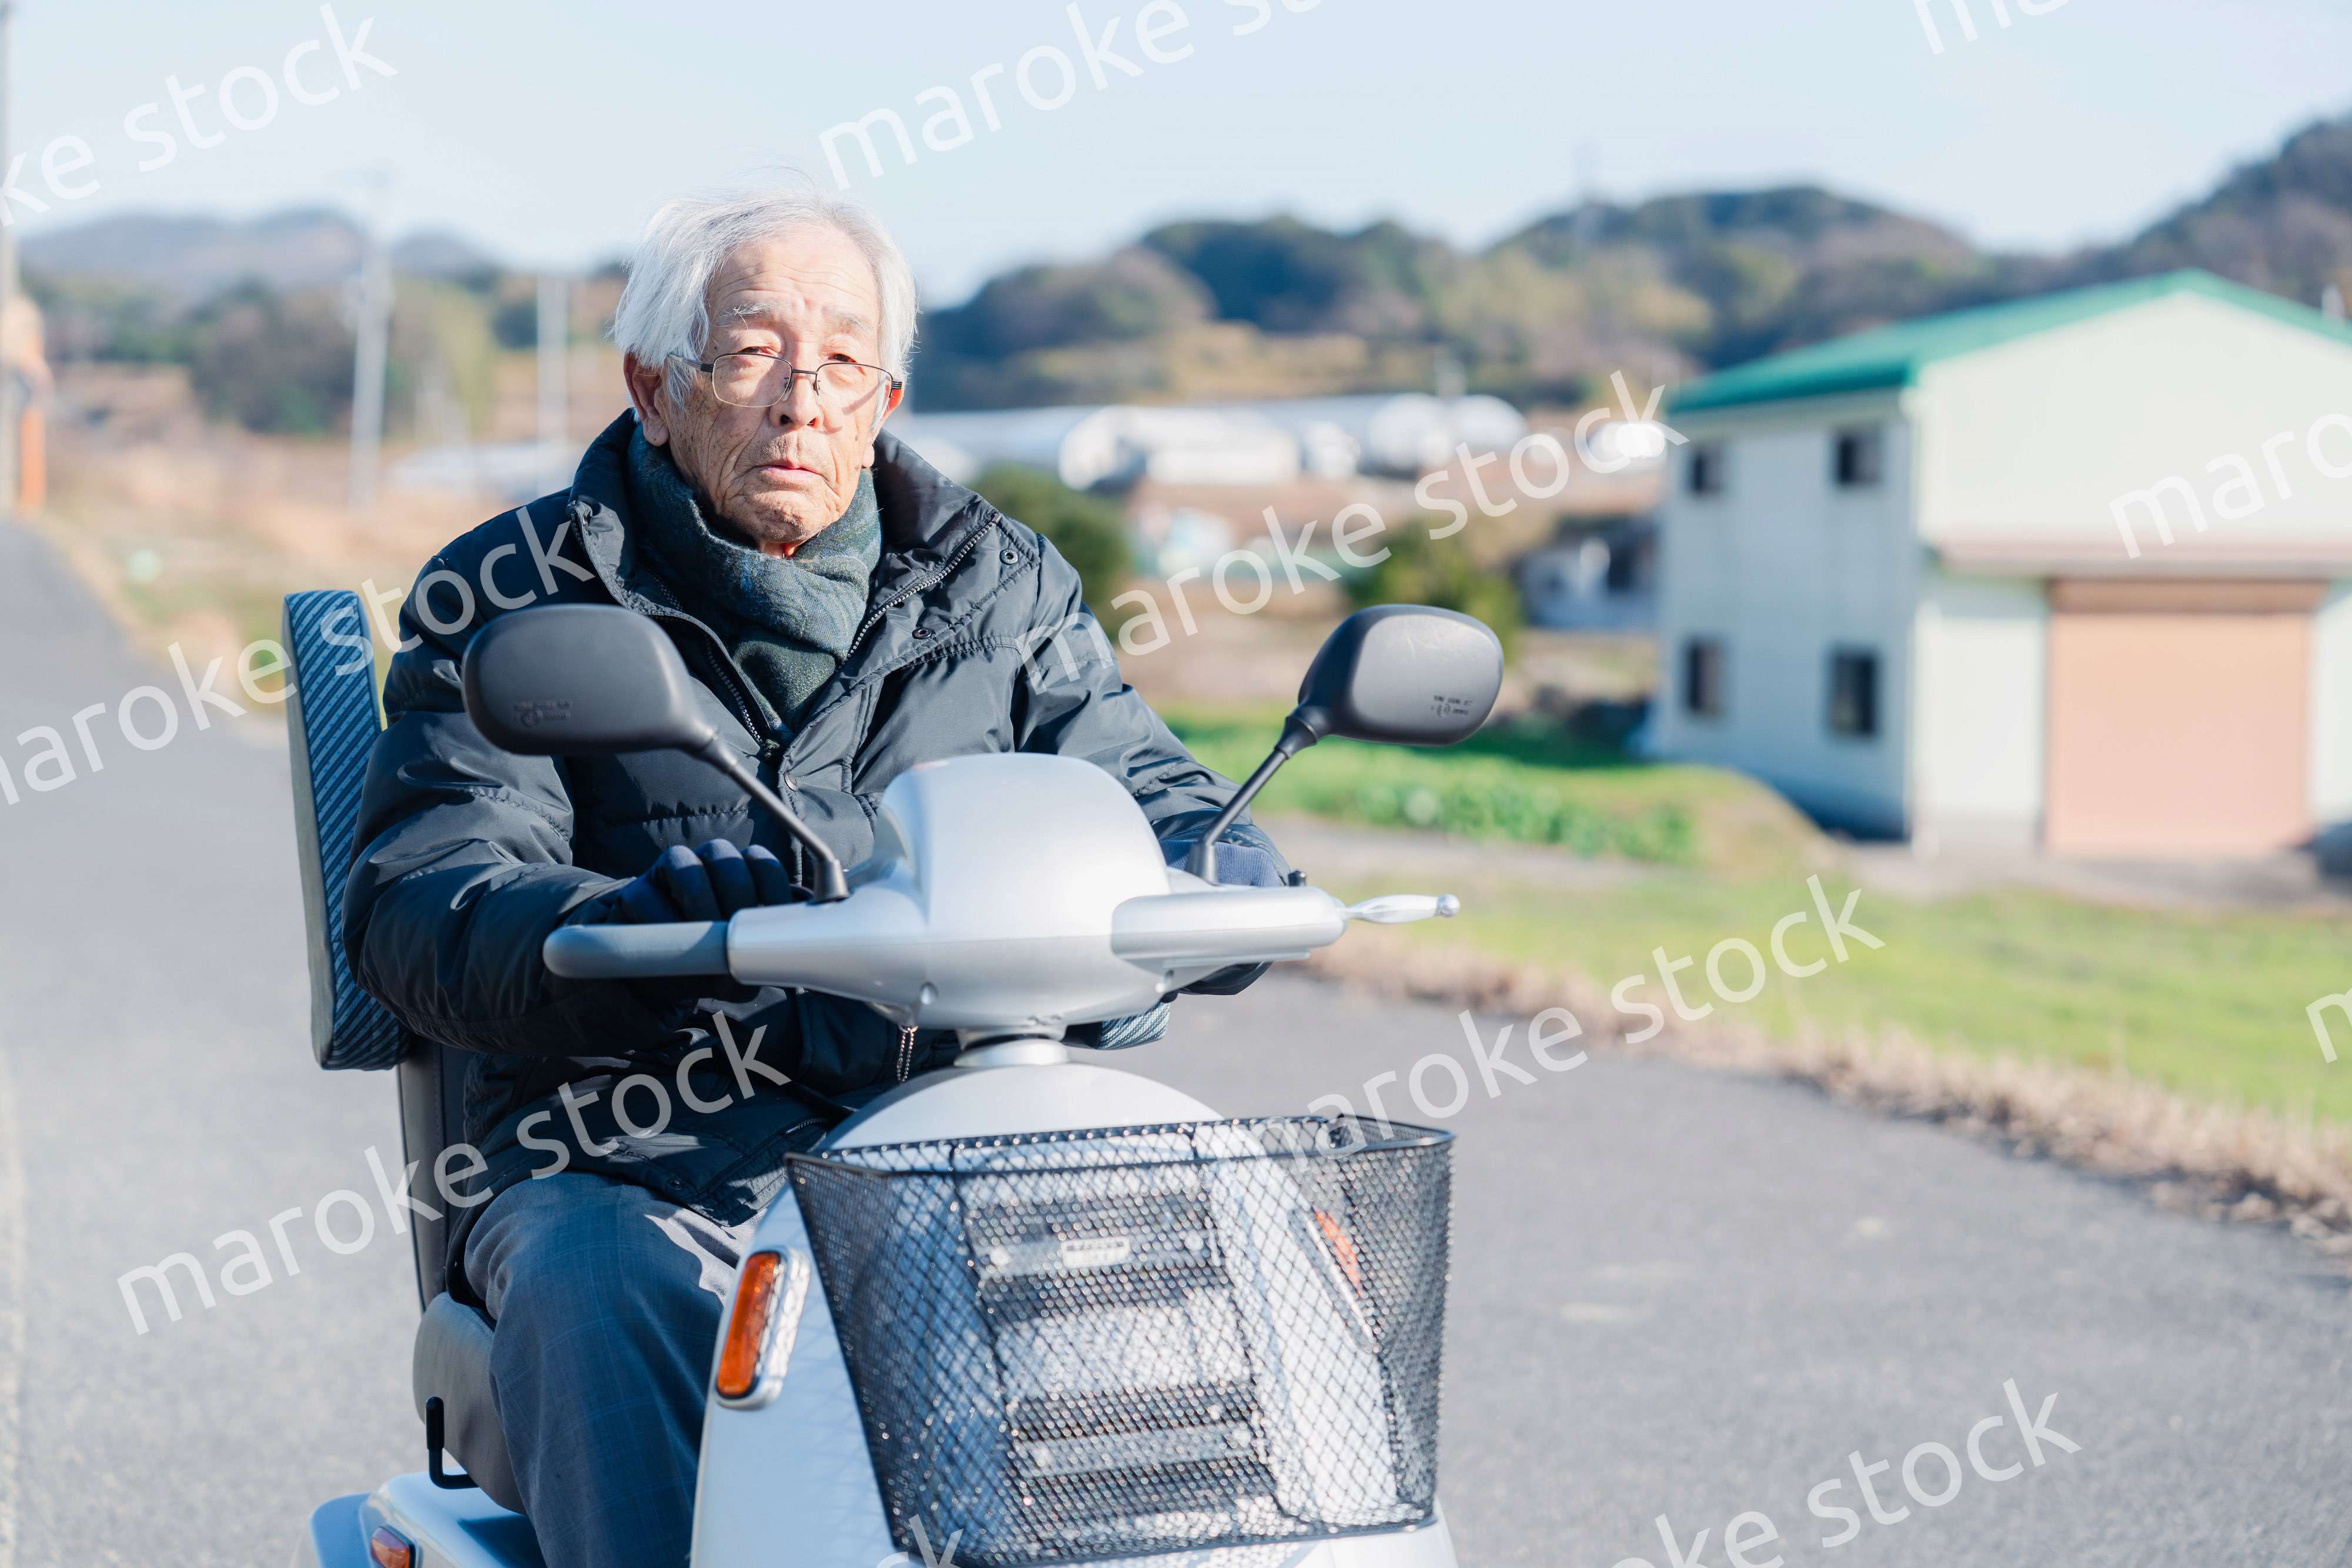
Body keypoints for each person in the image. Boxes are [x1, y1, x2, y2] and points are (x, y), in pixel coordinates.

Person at [342, 187, 1287, 1568]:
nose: (802, 400)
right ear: (653, 387)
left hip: (957, 1135)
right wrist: (601, 931)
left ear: (886, 393)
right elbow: (426, 892)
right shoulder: (513, 593)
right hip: (628, 1156)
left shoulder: (1000, 586)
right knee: (597, 1281)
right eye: (752, 352)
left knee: (1203, 1260)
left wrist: (1224, 860)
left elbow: (1141, 779)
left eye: (843, 361)